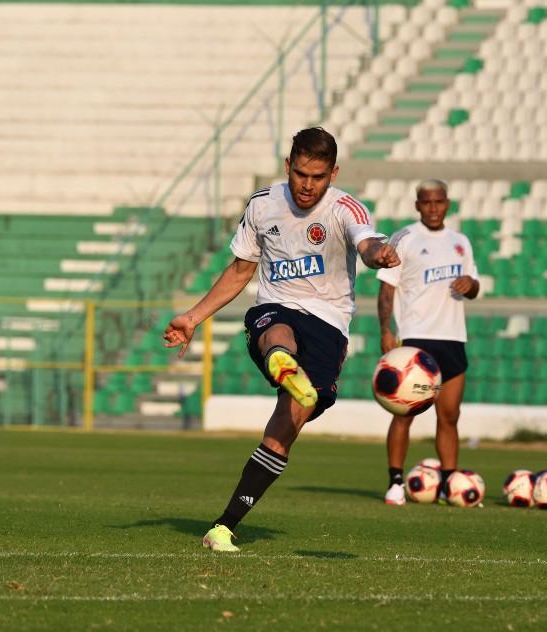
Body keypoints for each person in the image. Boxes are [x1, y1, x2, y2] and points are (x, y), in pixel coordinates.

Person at [163, 127, 400, 552]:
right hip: (275, 309)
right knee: (279, 330)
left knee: (286, 426)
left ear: (334, 173)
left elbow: (367, 242)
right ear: (288, 166)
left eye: (319, 176)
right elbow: (240, 271)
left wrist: (377, 253)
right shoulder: (263, 205)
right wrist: (193, 317)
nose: (308, 185)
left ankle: (223, 527)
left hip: (328, 324)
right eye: (301, 174)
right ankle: (280, 360)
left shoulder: (345, 208)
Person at [376, 179, 480, 505]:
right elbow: (387, 288)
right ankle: (395, 482)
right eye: (426, 202)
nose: (433, 208)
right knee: (404, 413)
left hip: (452, 337)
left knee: (449, 415)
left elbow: (475, 288)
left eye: (439, 202)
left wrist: (470, 284)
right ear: (417, 205)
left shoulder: (460, 241)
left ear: (448, 203)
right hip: (417, 339)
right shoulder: (404, 238)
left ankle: (449, 483)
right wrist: (385, 330)